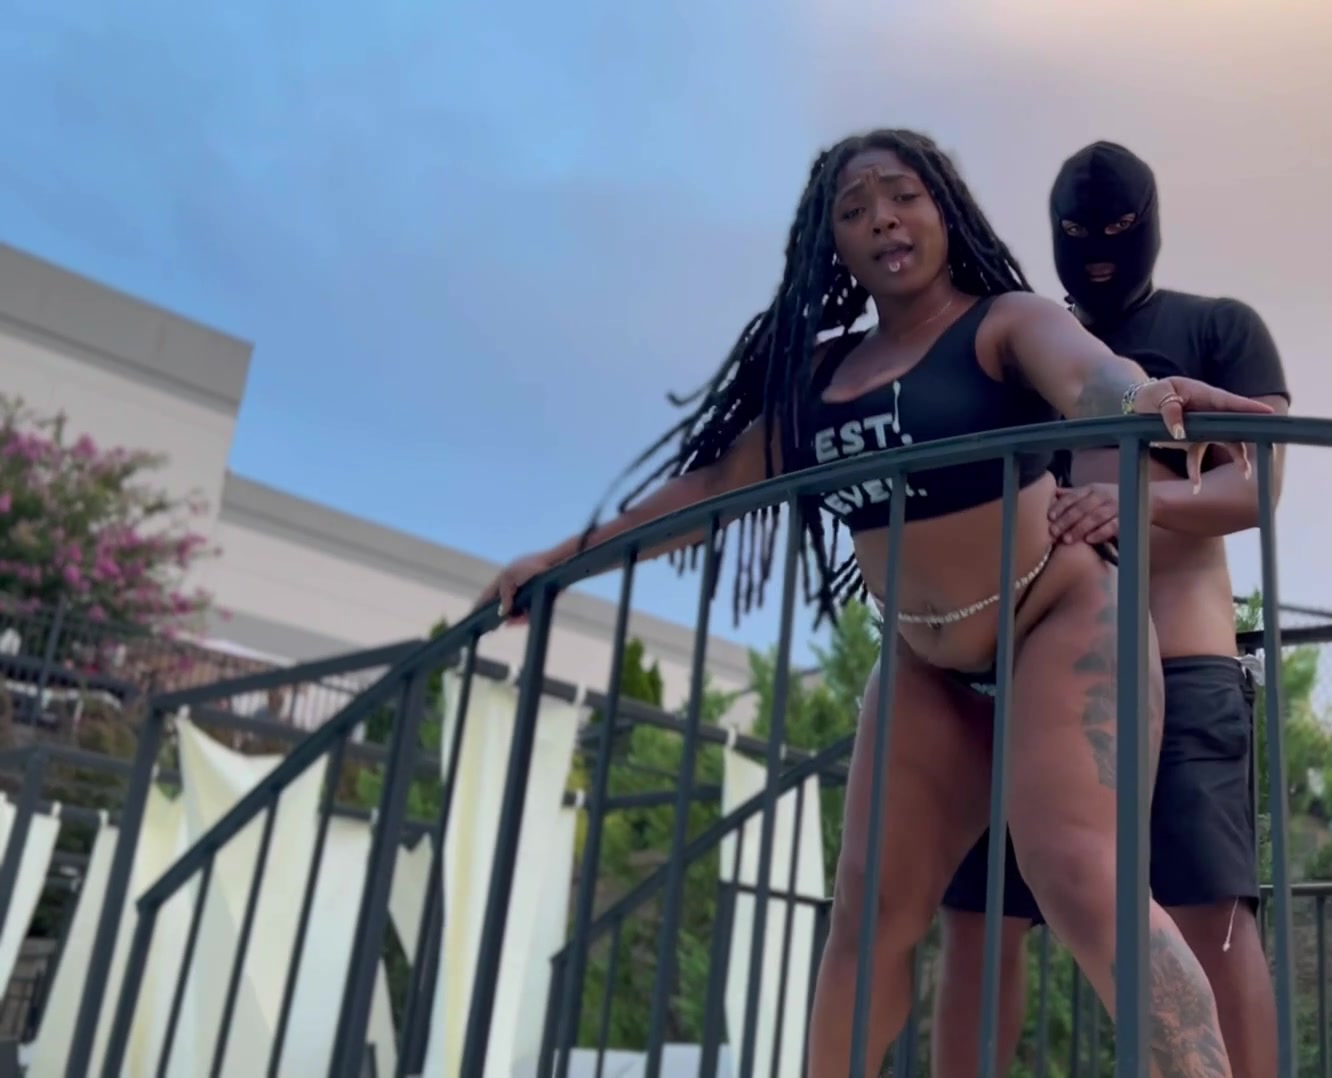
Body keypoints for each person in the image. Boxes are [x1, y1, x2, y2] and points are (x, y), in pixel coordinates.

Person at [482, 129, 1276, 1077]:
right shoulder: (818, 380)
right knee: (867, 917)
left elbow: (1090, 377)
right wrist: (560, 561)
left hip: (1056, 617)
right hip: (929, 662)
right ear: (832, 242)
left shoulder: (1004, 323)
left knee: (1081, 873)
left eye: (902, 197)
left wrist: (1147, 399)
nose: (882, 221)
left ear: (945, 209)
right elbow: (710, 491)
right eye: (854, 210)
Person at [933, 140, 1289, 1078]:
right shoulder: (1022, 347)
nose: (1097, 250)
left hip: (1181, 656)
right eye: (1078, 233)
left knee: (1210, 917)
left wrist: (1139, 502)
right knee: (979, 917)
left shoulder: (1217, 327)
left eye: (1119, 229)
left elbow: (1258, 485)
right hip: (1028, 666)